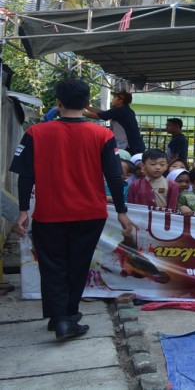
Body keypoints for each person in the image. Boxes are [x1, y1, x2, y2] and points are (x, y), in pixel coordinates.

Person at [10, 79, 134, 341]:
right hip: (90, 214)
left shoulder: (36, 133)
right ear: (87, 103)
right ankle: (67, 317)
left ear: (58, 102)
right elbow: (115, 177)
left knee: (52, 265)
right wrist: (122, 211)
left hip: (49, 214)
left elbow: (25, 176)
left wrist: (23, 211)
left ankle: (60, 317)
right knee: (78, 264)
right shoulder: (102, 135)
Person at [83, 90, 145, 155]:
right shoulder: (125, 110)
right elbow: (103, 113)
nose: (112, 99)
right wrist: (88, 108)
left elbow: (97, 116)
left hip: (129, 147)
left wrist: (81, 111)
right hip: (134, 146)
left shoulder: (119, 110)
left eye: (114, 97)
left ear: (120, 100)